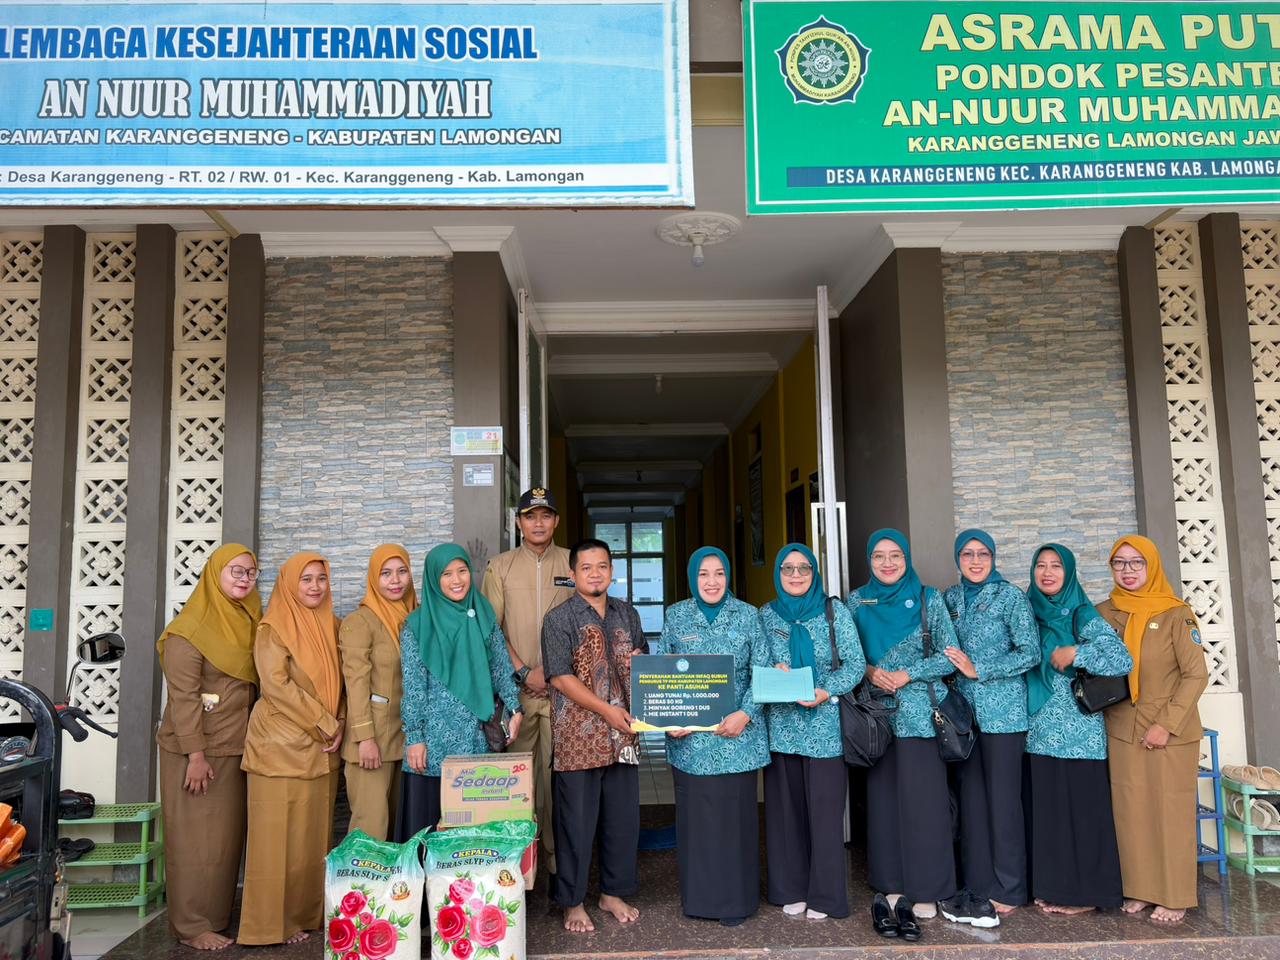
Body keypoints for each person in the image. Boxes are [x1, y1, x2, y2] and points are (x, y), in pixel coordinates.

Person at [849, 529, 960, 924]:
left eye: (895, 555)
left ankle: (928, 887)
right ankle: (891, 882)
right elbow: (845, 655)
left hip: (922, 718)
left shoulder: (929, 598)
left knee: (925, 805)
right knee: (883, 805)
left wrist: (907, 673)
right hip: (876, 721)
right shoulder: (857, 600)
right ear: (869, 561)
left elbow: (951, 657)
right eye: (879, 556)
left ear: (906, 557)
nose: (888, 563)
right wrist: (872, 670)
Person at [155, 543, 262, 950]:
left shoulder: (249, 620)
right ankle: (191, 927)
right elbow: (184, 698)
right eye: (235, 570)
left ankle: (215, 918)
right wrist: (195, 756)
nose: (243, 578)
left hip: (235, 747)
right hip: (194, 752)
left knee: (222, 841)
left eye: (250, 572)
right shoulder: (190, 631)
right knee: (193, 840)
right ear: (214, 574)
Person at [1097, 535, 1208, 925]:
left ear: (1152, 566)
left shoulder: (1178, 613)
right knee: (1131, 813)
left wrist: (1167, 724)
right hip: (1122, 728)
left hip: (1169, 733)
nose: (1127, 571)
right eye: (1119, 563)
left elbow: (1196, 675)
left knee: (1169, 812)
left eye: (1136, 563)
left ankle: (1174, 895)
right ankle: (1141, 889)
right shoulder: (1104, 613)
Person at [541, 538, 648, 934]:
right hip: (578, 739)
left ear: (612, 570)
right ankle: (572, 902)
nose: (595, 573)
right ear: (573, 575)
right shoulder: (558, 619)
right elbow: (560, 677)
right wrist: (606, 710)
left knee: (622, 821)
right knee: (576, 824)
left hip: (624, 739)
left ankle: (612, 893)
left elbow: (642, 665)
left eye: (602, 566)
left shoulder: (628, 614)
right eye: (586, 568)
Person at [660, 547, 771, 927]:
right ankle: (700, 900)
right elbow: (663, 674)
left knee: (735, 821)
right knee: (697, 823)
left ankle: (736, 903)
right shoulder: (676, 615)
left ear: (728, 577)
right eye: (704, 574)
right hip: (690, 743)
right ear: (693, 578)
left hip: (737, 738)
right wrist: (671, 717)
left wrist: (745, 713)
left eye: (719, 573)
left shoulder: (748, 615)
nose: (712, 581)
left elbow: (764, 671)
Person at [238, 552, 345, 946]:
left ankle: (301, 918)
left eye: (321, 579)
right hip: (279, 747)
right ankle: (267, 926)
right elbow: (277, 686)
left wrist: (342, 721)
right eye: (306, 580)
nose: (315, 587)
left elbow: (343, 680)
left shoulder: (332, 625)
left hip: (322, 748)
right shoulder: (273, 627)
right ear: (288, 584)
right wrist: (326, 722)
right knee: (274, 843)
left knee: (308, 842)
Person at [1024, 544, 1132, 916]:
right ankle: (1057, 888)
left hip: (1079, 733)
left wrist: (1076, 654)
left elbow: (1122, 658)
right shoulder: (1026, 610)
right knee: (1050, 815)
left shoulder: (1081, 613)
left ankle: (1088, 895)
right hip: (1037, 731)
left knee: (1084, 815)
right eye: (1041, 565)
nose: (1048, 572)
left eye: (1056, 566)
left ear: (1068, 573)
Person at [761, 542, 863, 922]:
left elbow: (855, 664)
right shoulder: (766, 615)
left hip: (825, 731)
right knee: (788, 814)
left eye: (804, 568)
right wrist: (776, 670)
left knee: (824, 816)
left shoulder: (834, 611)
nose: (796, 575)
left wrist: (827, 690)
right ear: (778, 574)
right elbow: (755, 662)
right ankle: (792, 888)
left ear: (814, 572)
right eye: (788, 568)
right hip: (783, 729)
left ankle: (825, 895)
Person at [941, 529, 1040, 916]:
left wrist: (979, 668)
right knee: (971, 801)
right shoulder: (950, 598)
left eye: (983, 554)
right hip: (962, 717)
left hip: (1003, 715)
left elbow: (1030, 652)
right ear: (958, 558)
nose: (976, 561)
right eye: (967, 554)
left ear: (993, 557)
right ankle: (977, 883)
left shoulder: (1010, 597)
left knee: (1003, 802)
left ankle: (1010, 888)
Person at [396, 543, 523, 837]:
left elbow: (502, 670)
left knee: (476, 832)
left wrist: (515, 709)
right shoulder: (417, 625)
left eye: (462, 571)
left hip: (478, 739)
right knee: (430, 831)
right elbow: (414, 686)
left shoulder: (483, 614)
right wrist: (415, 737)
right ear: (433, 579)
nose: (457, 580)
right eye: (447, 573)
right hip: (434, 747)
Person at [482, 487, 575, 880]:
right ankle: (516, 864)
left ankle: (558, 861)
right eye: (530, 516)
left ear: (555, 521)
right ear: (518, 522)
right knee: (518, 781)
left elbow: (582, 624)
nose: (538, 523)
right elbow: (491, 628)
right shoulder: (499, 567)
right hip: (516, 697)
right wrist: (522, 672)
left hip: (564, 693)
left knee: (561, 782)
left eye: (546, 515)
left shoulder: (573, 563)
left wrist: (553, 674)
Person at [337, 544, 417, 840]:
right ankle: (362, 889)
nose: (395, 581)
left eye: (401, 572)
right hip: (373, 745)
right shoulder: (360, 622)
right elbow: (355, 685)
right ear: (373, 578)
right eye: (385, 574)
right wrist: (365, 739)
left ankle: (394, 890)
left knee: (400, 832)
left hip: (407, 742)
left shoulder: (416, 617)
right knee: (370, 830)